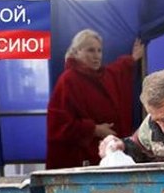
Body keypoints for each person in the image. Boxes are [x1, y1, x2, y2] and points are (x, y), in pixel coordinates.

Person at [46, 29, 144, 169]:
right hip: (82, 159)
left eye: (99, 50)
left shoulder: (103, 75)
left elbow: (117, 70)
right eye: (90, 50)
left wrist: (132, 59)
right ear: (76, 52)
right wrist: (94, 129)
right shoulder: (68, 80)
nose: (96, 55)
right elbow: (59, 125)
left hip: (108, 153)